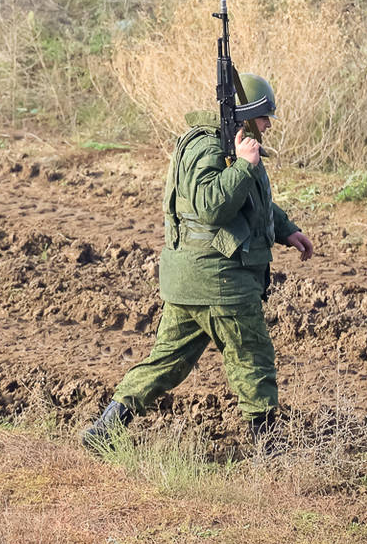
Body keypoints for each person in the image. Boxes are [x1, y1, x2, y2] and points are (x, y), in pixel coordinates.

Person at [82, 73, 314, 449]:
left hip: (190, 282)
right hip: (222, 282)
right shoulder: (209, 148)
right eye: (264, 116)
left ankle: (105, 431)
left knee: (166, 363)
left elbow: (250, 202)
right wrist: (242, 167)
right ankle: (270, 454)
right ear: (246, 114)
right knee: (252, 361)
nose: (268, 124)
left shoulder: (230, 145)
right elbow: (210, 206)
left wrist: (285, 229)